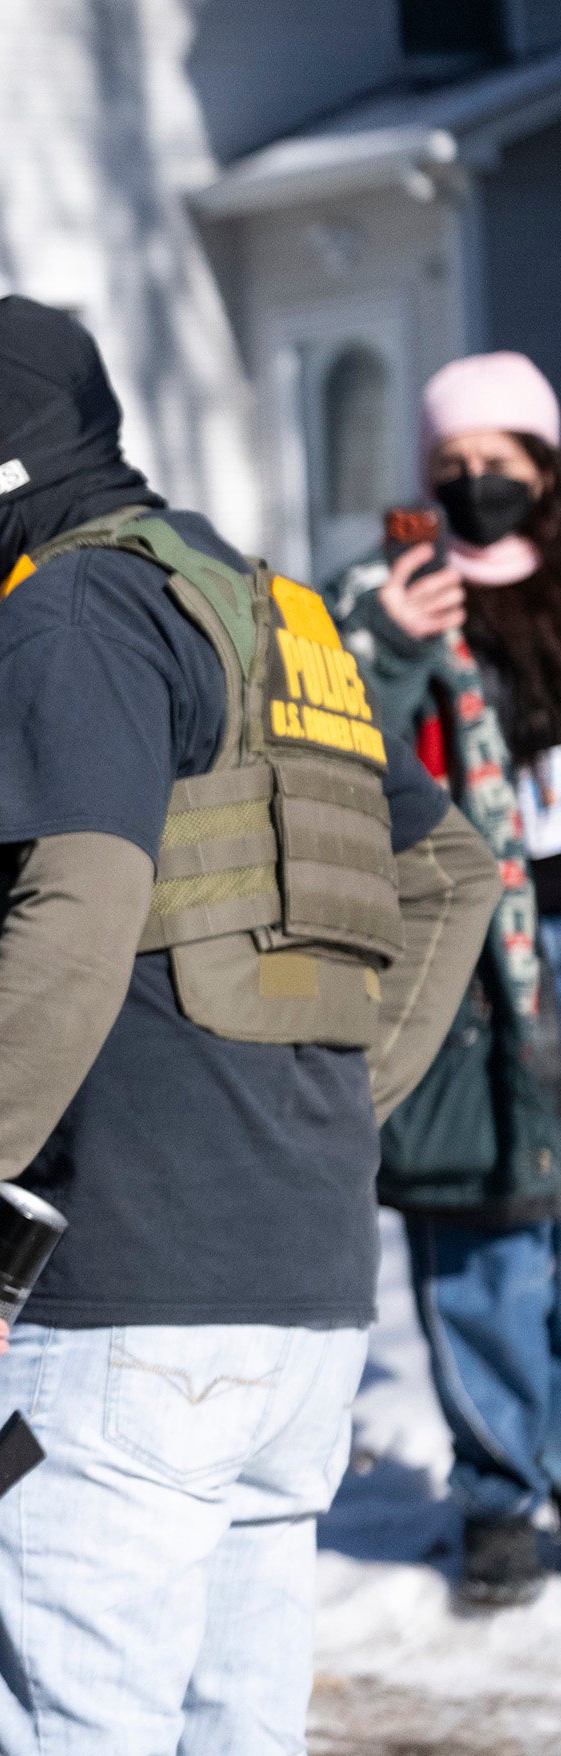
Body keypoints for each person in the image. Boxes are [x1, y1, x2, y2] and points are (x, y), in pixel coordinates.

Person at [0, 296, 497, 1756]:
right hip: (290, 1290)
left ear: (21, 431)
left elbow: (77, 901)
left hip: (123, 1287)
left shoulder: (72, 613)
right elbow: (447, 865)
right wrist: (342, 1095)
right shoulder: (271, 607)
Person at [331, 350, 561, 1608]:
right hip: (458, 961)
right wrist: (393, 647)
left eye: (502, 464)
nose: (479, 485)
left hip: (559, 949)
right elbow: (334, 749)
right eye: (452, 467)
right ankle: (497, 1497)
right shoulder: (380, 596)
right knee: (480, 1248)